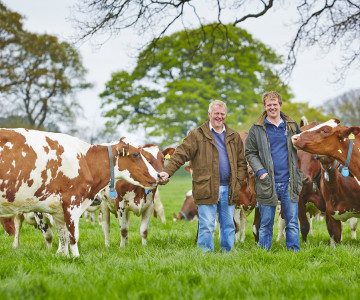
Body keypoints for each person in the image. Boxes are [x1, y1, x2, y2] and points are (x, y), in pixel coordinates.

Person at [159, 100, 247, 252]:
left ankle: (228, 253)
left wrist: (238, 182)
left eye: (222, 114)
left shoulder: (233, 136)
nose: (219, 117)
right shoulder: (197, 135)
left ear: (225, 115)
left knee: (228, 225)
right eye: (216, 114)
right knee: (206, 225)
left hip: (229, 188)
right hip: (206, 187)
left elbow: (241, 162)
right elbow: (180, 154)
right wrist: (167, 171)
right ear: (209, 114)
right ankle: (205, 256)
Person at [245, 91, 303, 251]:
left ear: (280, 105)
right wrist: (260, 171)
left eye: (275, 104)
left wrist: (299, 140)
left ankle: (294, 252)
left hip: (290, 182)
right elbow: (250, 151)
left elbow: (303, 145)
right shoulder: (257, 128)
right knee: (266, 222)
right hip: (266, 182)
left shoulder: (291, 126)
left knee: (291, 222)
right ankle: (264, 253)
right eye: (269, 105)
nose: (272, 107)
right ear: (264, 106)